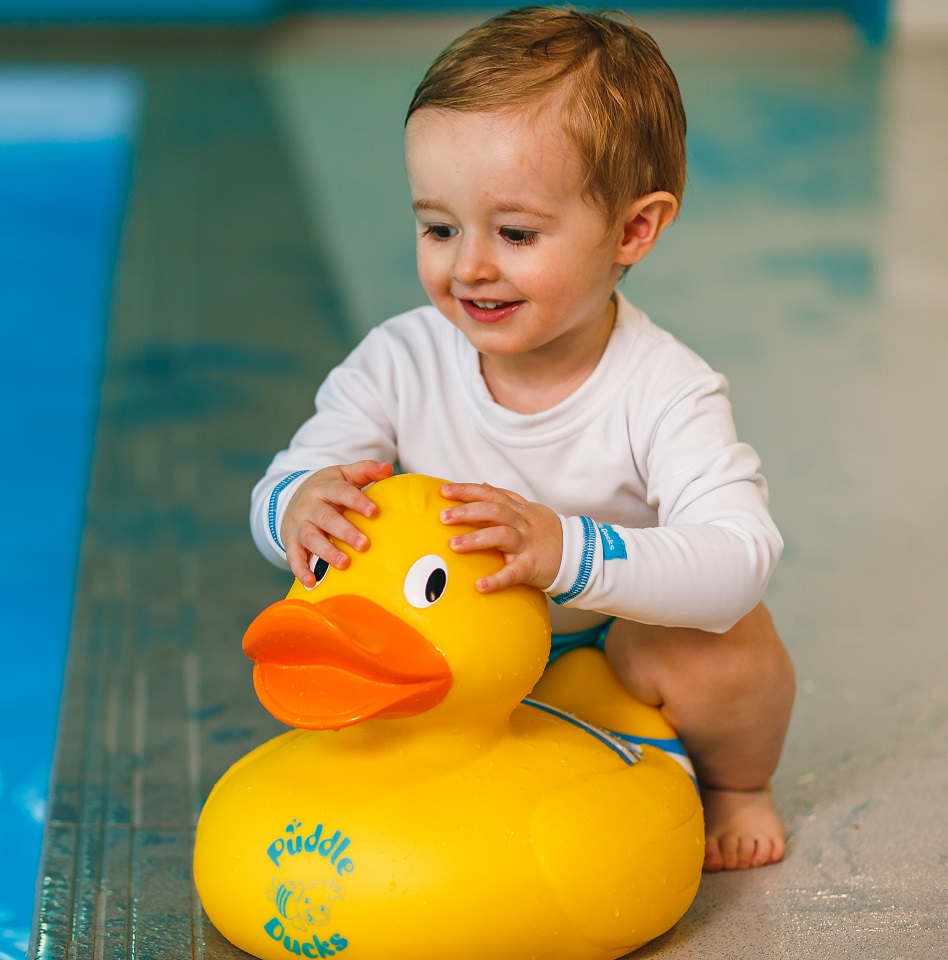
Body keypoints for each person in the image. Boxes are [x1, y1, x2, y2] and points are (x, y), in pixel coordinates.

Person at [250, 5, 795, 872]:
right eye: (438, 228)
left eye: (515, 233)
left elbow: (741, 557)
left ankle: (735, 785)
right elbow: (291, 475)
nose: (468, 266)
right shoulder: (399, 358)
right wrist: (298, 506)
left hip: (609, 646)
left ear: (633, 230)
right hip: (449, 651)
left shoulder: (665, 388)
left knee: (731, 650)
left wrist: (566, 552)